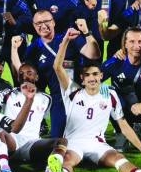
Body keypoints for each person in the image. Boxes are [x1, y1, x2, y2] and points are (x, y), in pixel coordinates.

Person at [40, 46, 141, 172]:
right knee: (68, 159)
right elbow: (57, 66)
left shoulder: (110, 95)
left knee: (117, 158)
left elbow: (124, 126)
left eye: (95, 74)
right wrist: (66, 40)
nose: (92, 78)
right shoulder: (72, 92)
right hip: (74, 142)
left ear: (101, 76)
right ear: (82, 79)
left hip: (97, 143)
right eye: (87, 75)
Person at [13, 9, 99, 138]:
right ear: (34, 26)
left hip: (79, 94)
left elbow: (93, 54)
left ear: (53, 22)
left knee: (86, 138)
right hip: (58, 98)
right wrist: (14, 49)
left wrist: (87, 32)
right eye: (38, 23)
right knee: (57, 139)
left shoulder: (69, 37)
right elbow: (24, 74)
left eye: (46, 21)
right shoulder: (33, 49)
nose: (43, 26)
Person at [0, 61, 56, 172]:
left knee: (61, 142)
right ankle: (5, 168)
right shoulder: (9, 93)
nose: (24, 76)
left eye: (29, 73)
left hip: (32, 144)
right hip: (11, 142)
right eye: (21, 73)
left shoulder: (46, 98)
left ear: (36, 77)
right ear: (17, 77)